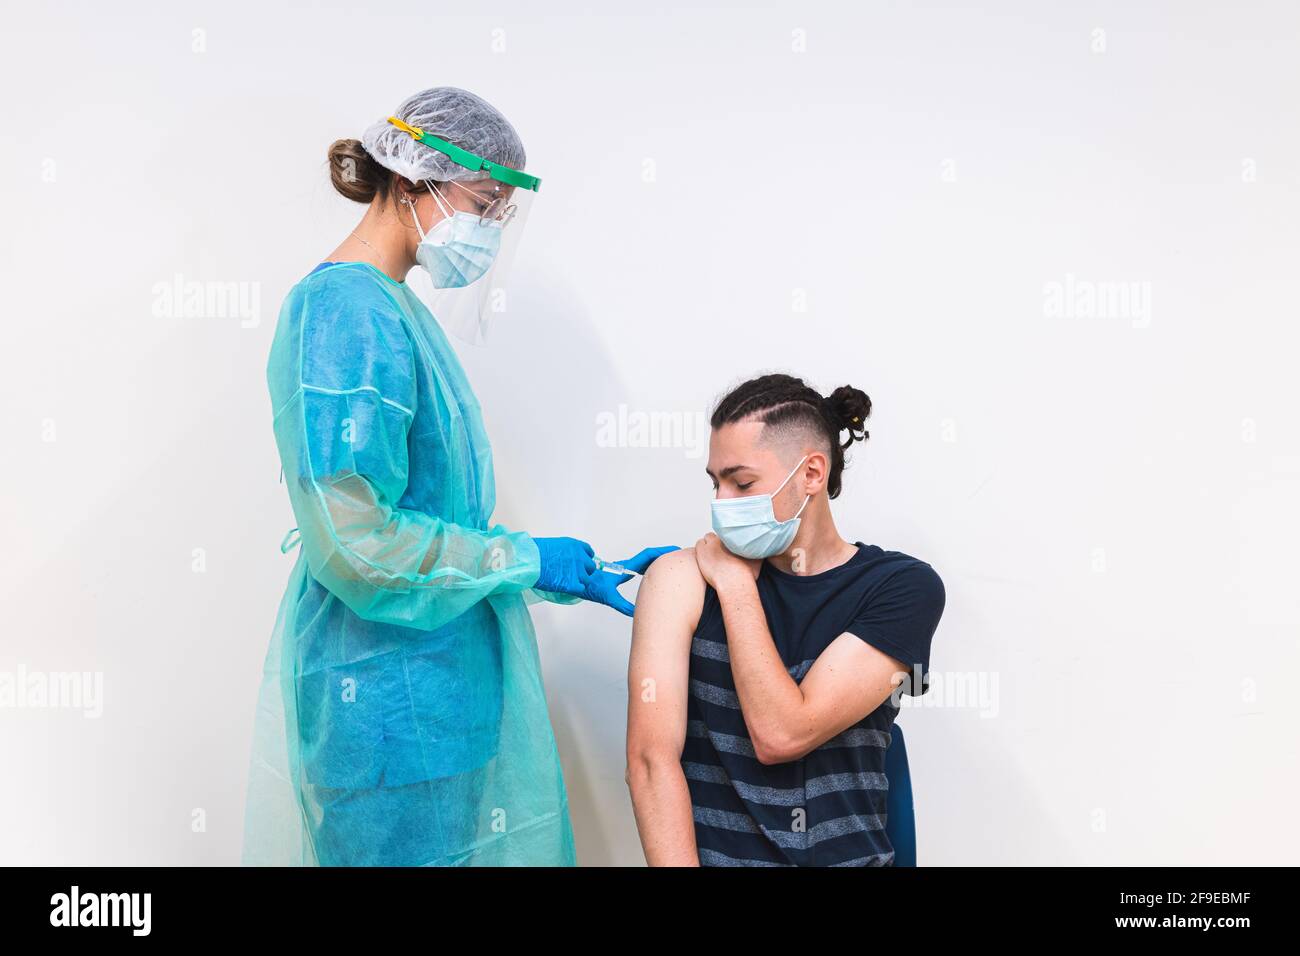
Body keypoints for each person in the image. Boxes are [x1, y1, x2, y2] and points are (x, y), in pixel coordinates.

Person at [241, 86, 673, 866]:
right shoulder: (344, 314)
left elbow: (422, 518)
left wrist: (538, 572)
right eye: (484, 203)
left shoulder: (397, 311)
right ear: (410, 180)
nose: (488, 229)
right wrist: (522, 559)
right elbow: (355, 543)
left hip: (435, 704)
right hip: (383, 712)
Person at [626, 373, 945, 866]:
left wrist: (735, 587)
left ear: (812, 474)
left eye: (742, 482)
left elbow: (783, 733)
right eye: (715, 483)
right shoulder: (679, 580)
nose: (721, 504)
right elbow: (650, 763)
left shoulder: (900, 588)